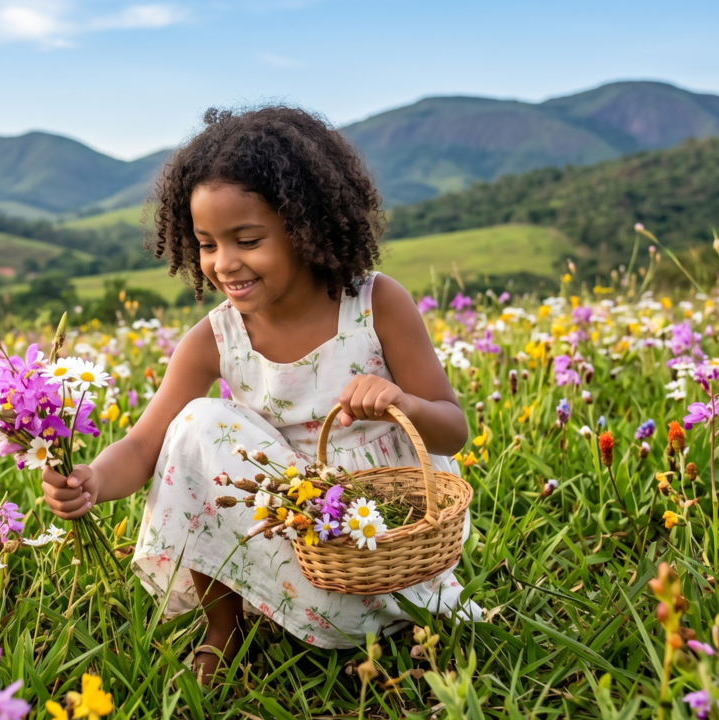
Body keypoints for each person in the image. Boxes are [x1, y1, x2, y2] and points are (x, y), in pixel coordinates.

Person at [41, 105, 479, 684]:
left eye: (247, 239)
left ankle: (370, 622)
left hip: (385, 550)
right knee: (198, 423)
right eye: (205, 244)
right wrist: (94, 480)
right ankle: (224, 627)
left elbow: (452, 428)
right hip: (295, 547)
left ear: (306, 227)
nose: (224, 263)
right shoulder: (214, 339)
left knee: (208, 427)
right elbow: (145, 446)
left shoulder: (376, 306)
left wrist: (402, 402)